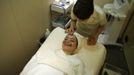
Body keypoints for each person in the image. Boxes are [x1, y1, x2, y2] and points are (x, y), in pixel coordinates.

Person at [20, 34, 85, 75]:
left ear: (76, 47)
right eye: (65, 39)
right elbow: (33, 62)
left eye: (72, 40)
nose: (67, 41)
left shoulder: (77, 61)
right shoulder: (50, 52)